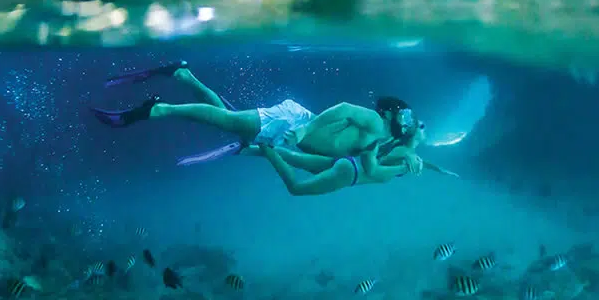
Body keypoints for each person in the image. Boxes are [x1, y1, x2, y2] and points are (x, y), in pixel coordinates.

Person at [91, 64, 427, 188]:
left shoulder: (376, 140)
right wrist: (306, 132)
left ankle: (184, 75)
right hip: (296, 122)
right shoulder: (372, 119)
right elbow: (340, 109)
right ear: (390, 113)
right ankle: (160, 109)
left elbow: (372, 171)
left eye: (410, 121)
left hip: (292, 130)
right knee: (227, 120)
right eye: (406, 116)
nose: (408, 121)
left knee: (230, 120)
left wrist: (407, 155)